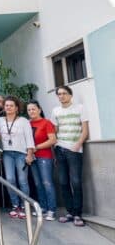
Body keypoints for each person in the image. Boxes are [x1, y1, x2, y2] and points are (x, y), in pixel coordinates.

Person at [52, 86, 89, 226]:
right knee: (63, 182)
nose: (61, 96)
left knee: (76, 182)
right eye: (59, 94)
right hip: (60, 149)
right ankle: (70, 212)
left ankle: (78, 214)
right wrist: (55, 148)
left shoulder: (80, 108)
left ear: (70, 95)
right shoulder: (55, 111)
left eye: (64, 93)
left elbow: (85, 130)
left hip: (74, 150)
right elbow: (54, 131)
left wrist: (78, 144)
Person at [0, 96, 35, 219]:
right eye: (6, 105)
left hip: (21, 153)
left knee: (23, 180)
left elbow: (29, 138)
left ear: (16, 108)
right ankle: (15, 205)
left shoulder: (23, 121)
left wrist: (30, 154)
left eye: (11, 105)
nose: (8, 107)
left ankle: (25, 206)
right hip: (7, 153)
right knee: (10, 179)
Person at [27, 100, 57, 221]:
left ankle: (52, 210)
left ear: (39, 110)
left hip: (44, 156)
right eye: (29, 110)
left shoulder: (46, 122)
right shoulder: (27, 124)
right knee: (38, 184)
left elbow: (52, 140)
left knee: (47, 183)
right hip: (32, 157)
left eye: (33, 109)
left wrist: (37, 147)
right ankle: (43, 208)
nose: (31, 111)